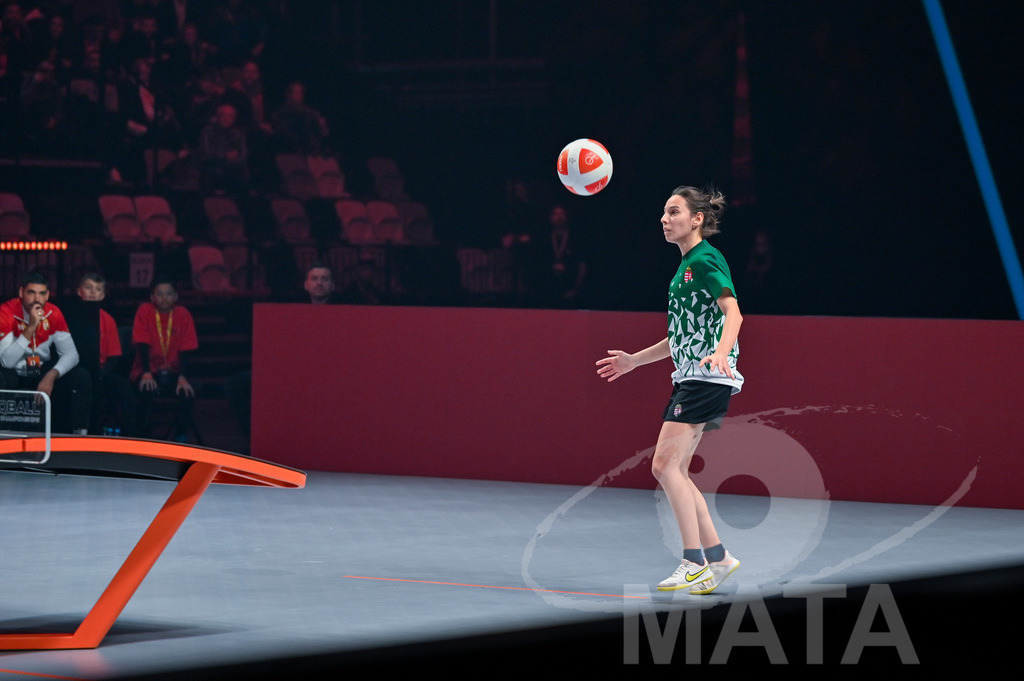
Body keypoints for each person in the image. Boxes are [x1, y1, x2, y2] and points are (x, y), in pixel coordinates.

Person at [596, 185, 743, 595]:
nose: (664, 219)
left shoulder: (706, 259)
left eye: (674, 211)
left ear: (697, 219)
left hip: (706, 377)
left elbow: (734, 313)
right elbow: (677, 337)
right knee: (675, 470)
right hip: (693, 377)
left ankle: (693, 562)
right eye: (663, 212)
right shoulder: (684, 269)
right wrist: (633, 361)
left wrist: (720, 353)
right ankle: (718, 558)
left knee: (663, 466)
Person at [0, 271, 92, 434]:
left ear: (48, 295)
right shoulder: (6, 311)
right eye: (31, 292)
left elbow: (72, 355)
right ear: (21, 293)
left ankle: (79, 436)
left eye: (42, 293)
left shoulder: (53, 313)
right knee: (5, 376)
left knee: (81, 376)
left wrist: (51, 375)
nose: (37, 299)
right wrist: (31, 327)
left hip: (41, 372)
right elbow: (6, 361)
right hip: (13, 373)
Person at [131, 277, 198, 441]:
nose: (164, 298)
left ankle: (180, 436)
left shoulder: (183, 314)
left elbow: (186, 348)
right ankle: (144, 438)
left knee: (187, 392)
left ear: (175, 296)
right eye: (160, 294)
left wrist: (183, 376)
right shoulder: (145, 310)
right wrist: (146, 373)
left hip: (174, 370)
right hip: (148, 369)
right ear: (152, 297)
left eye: (169, 294)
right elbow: (142, 344)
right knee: (146, 389)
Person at [76, 272, 137, 436]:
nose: (93, 293)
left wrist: (101, 375)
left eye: (97, 289)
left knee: (123, 386)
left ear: (102, 295)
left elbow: (114, 356)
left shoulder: (108, 320)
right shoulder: (71, 318)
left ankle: (131, 434)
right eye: (88, 288)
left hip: (101, 372)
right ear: (80, 291)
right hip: (77, 371)